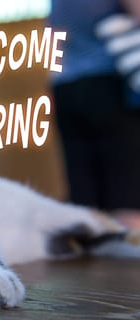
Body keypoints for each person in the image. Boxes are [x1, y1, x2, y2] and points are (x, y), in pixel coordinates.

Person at [50, 0, 140, 229]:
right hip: (108, 82)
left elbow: (52, 39)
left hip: (65, 87)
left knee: (86, 199)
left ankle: (96, 259)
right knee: (126, 196)